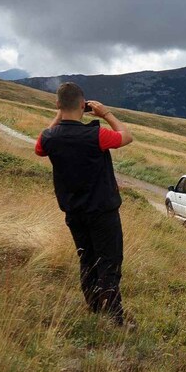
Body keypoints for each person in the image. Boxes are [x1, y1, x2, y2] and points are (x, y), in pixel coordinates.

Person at [34, 82, 133, 325]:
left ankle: (95, 307)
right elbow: (127, 137)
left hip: (73, 212)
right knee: (109, 263)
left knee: (86, 259)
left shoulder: (49, 137)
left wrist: (59, 114)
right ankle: (114, 318)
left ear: (58, 105)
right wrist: (106, 114)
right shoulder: (96, 135)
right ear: (82, 104)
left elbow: (40, 148)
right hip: (102, 212)